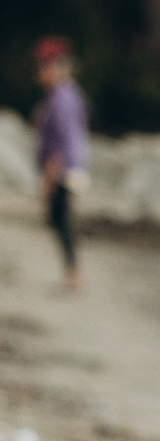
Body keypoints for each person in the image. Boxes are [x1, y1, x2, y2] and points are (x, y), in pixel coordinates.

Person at [32, 38, 87, 287]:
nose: (39, 72)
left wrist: (49, 176)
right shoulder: (65, 95)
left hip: (63, 169)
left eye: (42, 67)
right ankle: (72, 271)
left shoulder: (61, 98)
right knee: (61, 219)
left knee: (62, 219)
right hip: (68, 166)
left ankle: (73, 272)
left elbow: (60, 141)